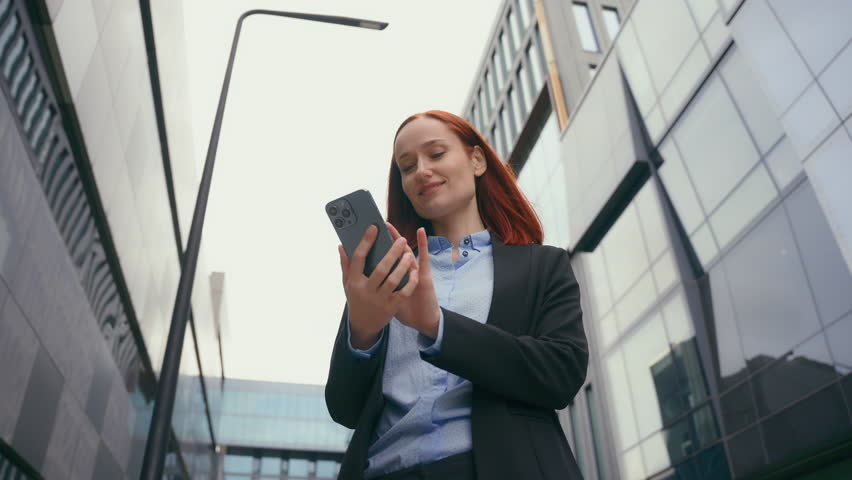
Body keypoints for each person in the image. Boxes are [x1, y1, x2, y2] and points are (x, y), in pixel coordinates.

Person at [325, 110, 588, 480]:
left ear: (477, 160)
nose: (421, 171)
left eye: (435, 154)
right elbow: (345, 409)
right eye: (407, 166)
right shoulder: (386, 275)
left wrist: (436, 326)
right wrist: (362, 332)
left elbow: (562, 374)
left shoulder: (542, 267)